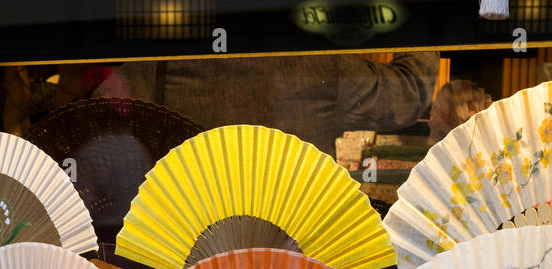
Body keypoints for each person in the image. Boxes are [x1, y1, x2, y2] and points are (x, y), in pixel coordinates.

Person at [91, 52, 441, 154]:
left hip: (187, 259)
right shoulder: (319, 66)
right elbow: (410, 92)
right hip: (292, 257)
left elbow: (94, 123)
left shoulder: (157, 67)